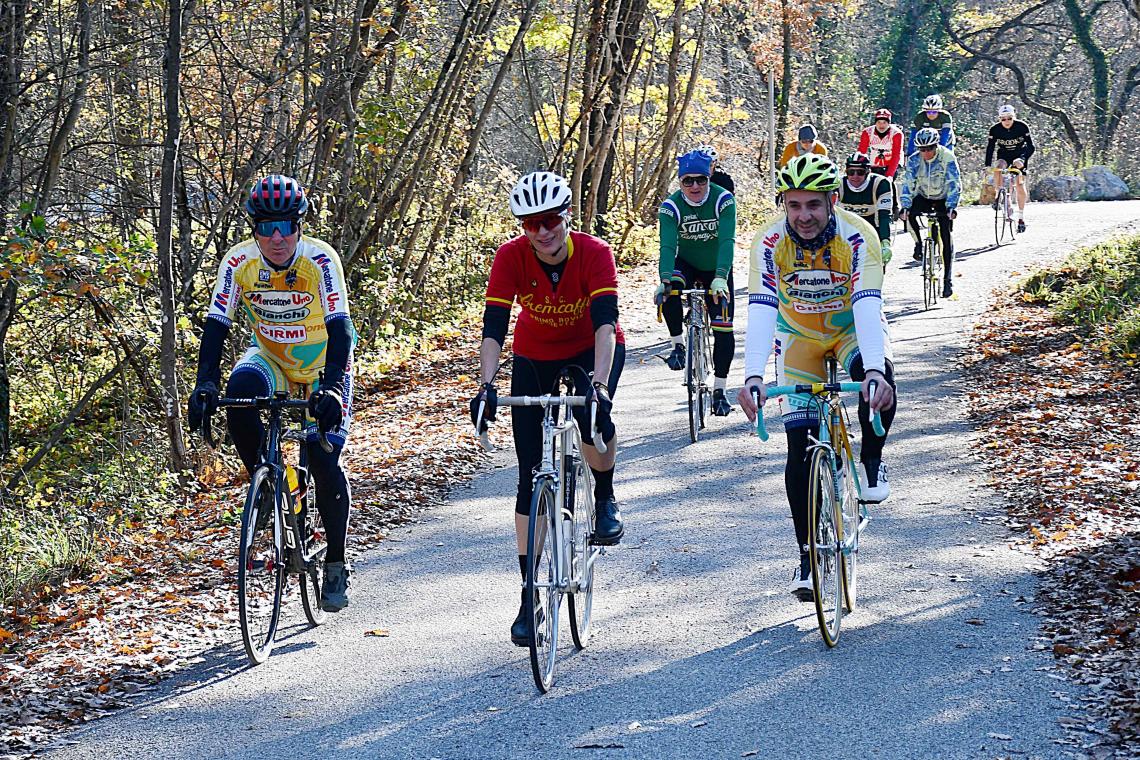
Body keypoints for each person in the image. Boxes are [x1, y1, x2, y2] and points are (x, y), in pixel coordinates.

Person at [469, 171, 625, 646]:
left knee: (591, 420)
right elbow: (495, 326)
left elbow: (604, 325)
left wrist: (598, 386)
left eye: (551, 220)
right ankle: (527, 593)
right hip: (535, 354)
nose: (542, 231)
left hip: (589, 352)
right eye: (531, 223)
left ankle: (604, 496)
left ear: (567, 216)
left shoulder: (595, 254)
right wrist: (486, 385)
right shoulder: (510, 257)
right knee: (527, 472)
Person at [187, 174, 355, 611]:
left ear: (300, 225)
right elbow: (217, 325)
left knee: (322, 460)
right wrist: (205, 382)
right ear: (253, 228)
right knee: (239, 392)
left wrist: (334, 386)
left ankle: (335, 562)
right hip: (272, 359)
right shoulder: (238, 262)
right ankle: (269, 484)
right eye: (266, 227)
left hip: (322, 365)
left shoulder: (320, 259)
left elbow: (340, 329)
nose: (277, 237)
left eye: (286, 226)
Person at [736, 153, 897, 600]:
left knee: (879, 381)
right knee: (799, 450)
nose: (803, 216)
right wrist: (753, 376)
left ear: (832, 201)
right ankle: (807, 557)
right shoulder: (768, 242)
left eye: (813, 205)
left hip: (848, 330)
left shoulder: (858, 236)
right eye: (793, 205)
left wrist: (876, 371)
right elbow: (762, 308)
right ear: (783, 205)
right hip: (798, 339)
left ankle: (870, 461)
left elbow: (867, 305)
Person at [656, 149, 738, 416]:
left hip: (718, 266)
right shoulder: (671, 206)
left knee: (724, 327)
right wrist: (664, 278)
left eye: (700, 180)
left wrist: (720, 277)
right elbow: (667, 246)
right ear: (680, 181)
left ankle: (720, 391)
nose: (694, 186)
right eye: (687, 181)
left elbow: (727, 241)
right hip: (687, 264)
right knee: (670, 289)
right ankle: (677, 345)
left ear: (709, 178)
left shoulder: (723, 200)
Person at [900, 127, 962, 298]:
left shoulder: (947, 157)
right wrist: (904, 206)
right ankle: (919, 243)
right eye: (922, 149)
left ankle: (947, 280)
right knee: (909, 213)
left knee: (945, 233)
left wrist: (951, 207)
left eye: (930, 149)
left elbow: (954, 183)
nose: (926, 153)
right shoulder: (914, 160)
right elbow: (908, 183)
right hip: (923, 196)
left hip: (942, 197)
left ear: (936, 146)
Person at [985, 104, 1035, 233]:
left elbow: (1031, 146)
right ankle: (1000, 195)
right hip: (1004, 155)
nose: (1006, 122)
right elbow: (990, 148)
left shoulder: (1022, 126)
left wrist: (1023, 159)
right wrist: (987, 165)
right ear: (999, 119)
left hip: (1019, 156)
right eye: (1003, 119)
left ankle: (1021, 217)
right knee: (998, 168)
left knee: (1019, 183)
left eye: (1009, 118)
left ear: (1014, 117)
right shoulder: (994, 129)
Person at [837, 152, 893, 267]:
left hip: (872, 227)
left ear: (868, 172)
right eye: (851, 172)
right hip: (847, 228)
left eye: (860, 172)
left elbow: (883, 216)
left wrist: (885, 242)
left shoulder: (881, 184)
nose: (855, 176)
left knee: (876, 267)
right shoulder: (838, 184)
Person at [857, 108, 904, 180]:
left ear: (889, 123)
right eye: (879, 122)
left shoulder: (896, 133)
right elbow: (861, 152)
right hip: (875, 159)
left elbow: (896, 154)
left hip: (892, 160)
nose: (881, 125)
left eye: (884, 122)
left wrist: (890, 175)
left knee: (888, 183)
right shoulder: (867, 132)